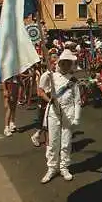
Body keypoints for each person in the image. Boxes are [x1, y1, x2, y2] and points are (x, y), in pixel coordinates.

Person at [39, 49, 81, 183]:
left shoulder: (73, 81)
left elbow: (77, 100)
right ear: (59, 63)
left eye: (68, 63)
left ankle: (64, 167)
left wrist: (77, 118)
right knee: (53, 142)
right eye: (63, 63)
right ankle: (52, 168)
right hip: (54, 112)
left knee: (66, 142)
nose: (65, 66)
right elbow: (41, 88)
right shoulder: (51, 76)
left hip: (69, 112)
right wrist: (48, 97)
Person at [31, 54, 58, 147]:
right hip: (44, 101)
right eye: (54, 64)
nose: (56, 65)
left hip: (52, 100)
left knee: (47, 123)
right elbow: (40, 92)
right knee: (44, 122)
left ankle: (39, 136)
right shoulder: (45, 76)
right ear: (49, 64)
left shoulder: (55, 75)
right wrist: (50, 101)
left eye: (57, 64)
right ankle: (46, 143)